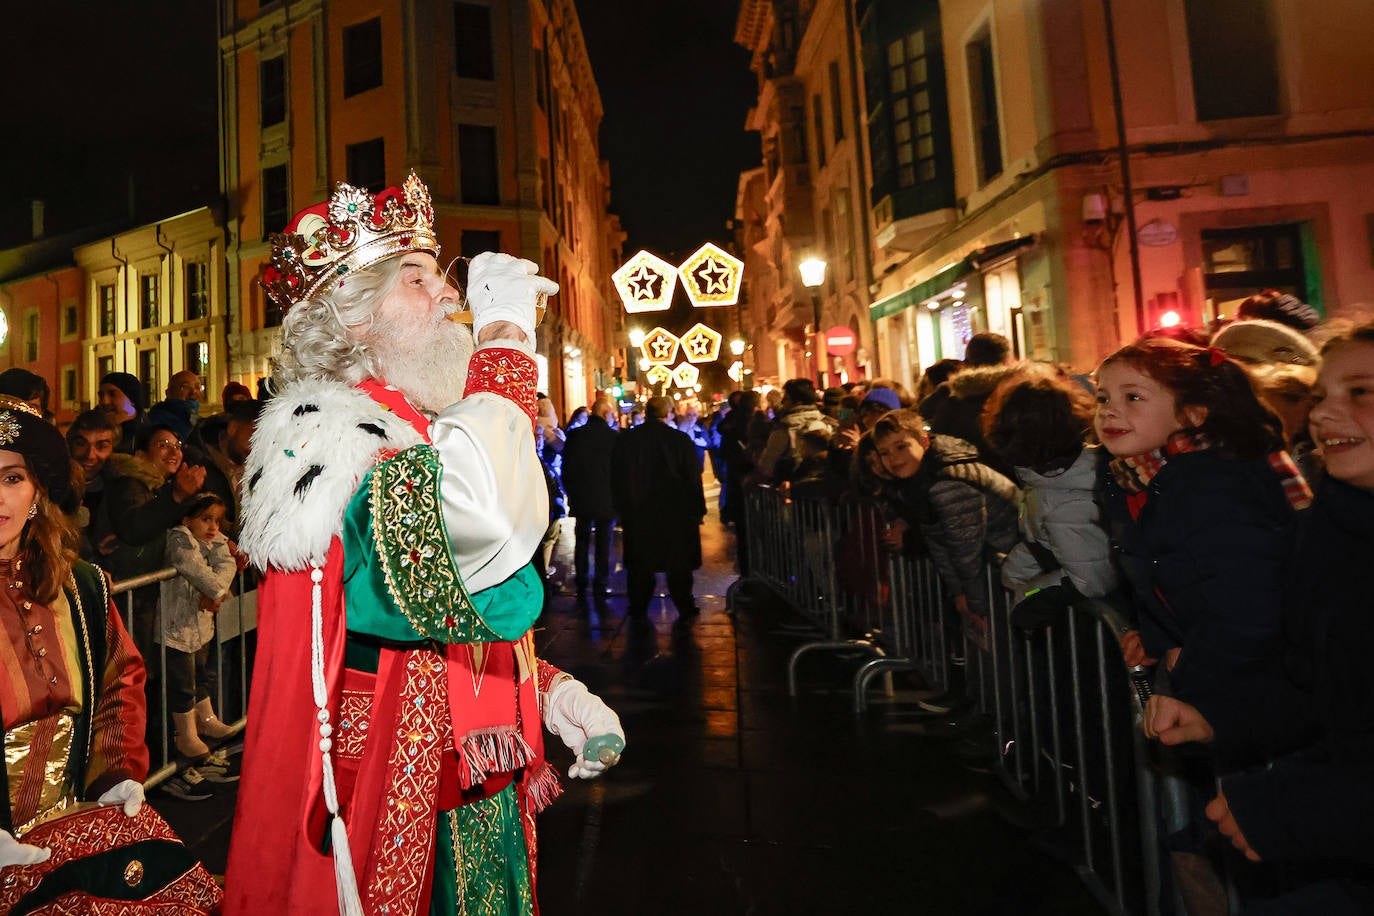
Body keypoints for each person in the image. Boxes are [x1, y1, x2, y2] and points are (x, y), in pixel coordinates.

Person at [222, 172, 625, 916]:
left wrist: (552, 692)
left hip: (473, 782)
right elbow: (463, 546)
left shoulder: (411, 421)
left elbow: (455, 609)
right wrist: (505, 341)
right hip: (383, 793)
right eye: (417, 278)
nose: (449, 295)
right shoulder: (332, 437)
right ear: (352, 321)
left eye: (442, 277)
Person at [1144, 321, 1374, 912]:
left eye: (1362, 392)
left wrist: (1300, 809)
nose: (1324, 415)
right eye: (1320, 396)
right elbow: (1315, 683)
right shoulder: (1334, 523)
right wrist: (1222, 718)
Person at [1095, 337, 1311, 910]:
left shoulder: (1208, 481)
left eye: (1132, 396)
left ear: (1192, 414)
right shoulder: (1156, 477)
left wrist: (1190, 665)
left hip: (1259, 690)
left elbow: (1248, 604)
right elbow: (1174, 578)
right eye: (1102, 397)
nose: (1109, 411)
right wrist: (1161, 634)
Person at [0, 395, 149, 867]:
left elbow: (118, 682)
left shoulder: (81, 586)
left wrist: (114, 774)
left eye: (12, 478)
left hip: (71, 819)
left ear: (38, 493)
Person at [873, 408, 1019, 714]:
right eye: (885, 452)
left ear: (924, 442)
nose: (893, 458)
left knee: (1003, 660)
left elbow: (965, 548)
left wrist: (975, 603)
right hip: (992, 571)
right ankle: (987, 715)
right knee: (985, 653)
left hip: (1007, 567)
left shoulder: (948, 480)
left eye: (902, 447)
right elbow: (941, 542)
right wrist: (960, 595)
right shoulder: (924, 479)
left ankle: (1002, 725)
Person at [159, 493, 239, 801]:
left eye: (217, 521)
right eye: (206, 519)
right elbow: (199, 572)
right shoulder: (179, 541)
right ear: (186, 519)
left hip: (200, 626)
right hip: (176, 627)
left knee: (200, 676)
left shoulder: (212, 540)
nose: (213, 527)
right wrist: (218, 589)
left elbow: (226, 562)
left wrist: (216, 586)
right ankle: (186, 735)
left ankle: (205, 721)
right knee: (181, 683)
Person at [611, 396, 706, 620]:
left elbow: (617, 476)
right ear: (669, 413)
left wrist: (620, 506)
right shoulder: (679, 440)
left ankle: (638, 605)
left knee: (640, 564)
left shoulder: (628, 440)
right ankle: (684, 603)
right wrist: (697, 509)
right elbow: (693, 478)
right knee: (678, 564)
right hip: (675, 511)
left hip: (639, 511)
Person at [560, 397, 617, 601]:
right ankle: (601, 582)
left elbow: (566, 468)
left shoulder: (575, 436)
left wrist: (571, 492)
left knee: (582, 541)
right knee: (603, 543)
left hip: (581, 498)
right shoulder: (613, 437)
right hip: (606, 499)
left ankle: (582, 581)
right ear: (605, 414)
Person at [755, 378, 838, 482]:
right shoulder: (828, 423)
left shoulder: (785, 427)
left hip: (792, 487)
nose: (782, 402)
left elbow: (768, 464)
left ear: (798, 402)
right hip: (824, 485)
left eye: (786, 399)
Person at [98, 371, 146, 455]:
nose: (104, 402)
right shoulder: (93, 433)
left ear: (132, 399)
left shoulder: (150, 437)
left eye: (112, 394)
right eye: (101, 395)